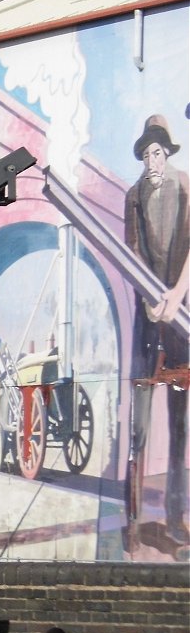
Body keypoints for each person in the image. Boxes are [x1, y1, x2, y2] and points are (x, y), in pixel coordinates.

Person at [123, 114, 189, 550]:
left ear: (167, 152)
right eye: (146, 153)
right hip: (148, 320)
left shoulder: (186, 187)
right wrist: (151, 301)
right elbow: (130, 252)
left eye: (158, 151)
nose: (152, 159)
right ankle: (133, 520)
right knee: (139, 426)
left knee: (180, 426)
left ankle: (175, 517)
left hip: (181, 320)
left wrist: (177, 296)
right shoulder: (133, 196)